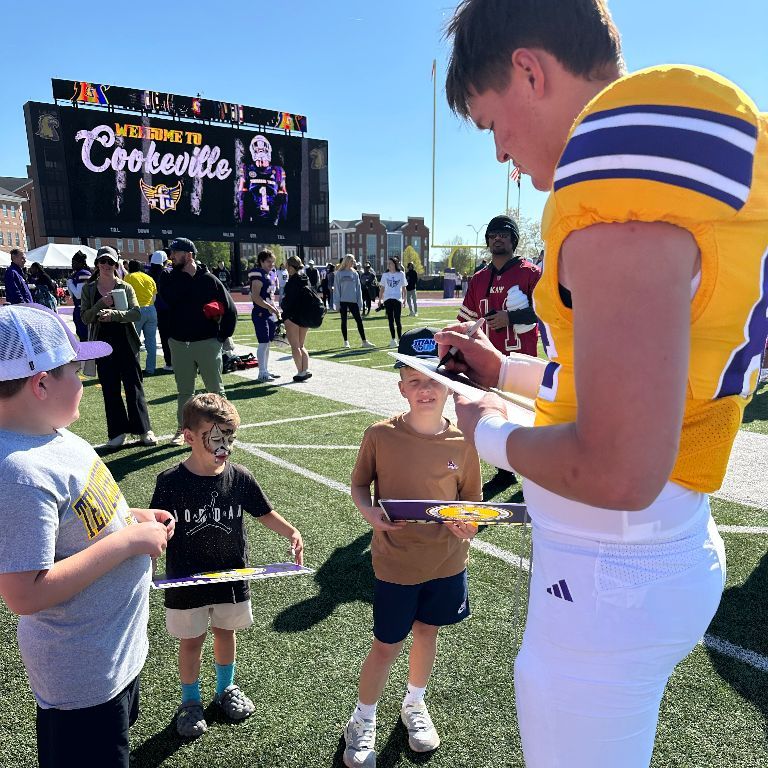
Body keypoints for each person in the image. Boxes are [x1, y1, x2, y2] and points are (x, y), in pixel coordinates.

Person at [441, 1, 768, 765]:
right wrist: (508, 370)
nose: (501, 155)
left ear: (529, 70)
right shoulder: (685, 162)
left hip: (612, 579)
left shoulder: (620, 192)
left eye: (493, 125)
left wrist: (483, 428)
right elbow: (631, 383)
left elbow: (619, 467)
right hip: (657, 551)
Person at [0, 302, 174, 768]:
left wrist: (131, 518)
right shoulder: (17, 472)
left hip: (112, 652)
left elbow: (81, 517)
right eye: (75, 370)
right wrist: (129, 542)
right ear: (40, 384)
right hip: (81, 677)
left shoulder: (56, 435)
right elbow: (23, 593)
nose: (85, 380)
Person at [342, 327, 482, 768]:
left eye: (434, 379)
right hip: (396, 564)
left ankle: (414, 704)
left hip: (447, 562)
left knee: (428, 632)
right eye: (414, 379)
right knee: (386, 644)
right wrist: (369, 514)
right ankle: (363, 718)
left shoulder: (465, 441)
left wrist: (468, 527)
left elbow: (472, 503)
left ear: (450, 385)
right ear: (401, 385)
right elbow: (360, 485)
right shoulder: (380, 435)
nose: (425, 389)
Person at [150, 393, 304, 739]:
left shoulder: (240, 477)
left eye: (229, 439)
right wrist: (148, 556)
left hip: (232, 576)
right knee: (191, 641)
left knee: (225, 633)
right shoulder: (170, 481)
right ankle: (190, 702)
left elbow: (263, 512)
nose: (224, 448)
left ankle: (226, 689)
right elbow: (155, 526)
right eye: (216, 439)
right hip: (185, 580)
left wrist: (291, 531)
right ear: (189, 437)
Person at [159, 238, 237, 444]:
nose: (172, 256)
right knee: (185, 391)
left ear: (189, 255)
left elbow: (231, 309)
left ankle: (225, 428)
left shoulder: (209, 279)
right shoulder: (168, 277)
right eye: (172, 252)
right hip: (179, 343)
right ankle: (182, 431)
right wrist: (187, 278)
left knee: (215, 389)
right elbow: (170, 299)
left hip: (206, 342)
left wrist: (221, 337)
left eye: (176, 252)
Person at [80, 247, 157, 448]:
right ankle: (117, 433)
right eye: (102, 261)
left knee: (134, 386)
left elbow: (136, 313)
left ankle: (143, 429)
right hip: (102, 343)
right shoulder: (89, 289)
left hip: (125, 340)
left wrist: (114, 315)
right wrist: (100, 305)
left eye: (111, 262)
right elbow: (85, 317)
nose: (106, 266)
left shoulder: (126, 287)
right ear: (97, 264)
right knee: (110, 387)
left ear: (116, 265)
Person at [458, 214, 541, 357]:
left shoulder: (531, 273)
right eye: (492, 235)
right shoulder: (478, 278)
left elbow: (547, 314)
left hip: (522, 363)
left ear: (513, 239)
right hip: (485, 364)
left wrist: (510, 317)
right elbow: (466, 323)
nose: (497, 238)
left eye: (503, 234)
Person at [280, 255, 320, 381]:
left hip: (292, 317)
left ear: (291, 267)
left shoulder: (291, 283)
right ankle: (305, 370)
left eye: (287, 266)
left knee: (295, 346)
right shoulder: (305, 279)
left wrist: (283, 308)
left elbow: (288, 302)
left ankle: (300, 372)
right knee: (301, 345)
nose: (286, 268)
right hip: (305, 317)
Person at [238, 134, 288, 226]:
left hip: (272, 218)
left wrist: (282, 224)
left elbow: (283, 198)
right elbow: (241, 196)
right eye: (257, 150)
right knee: (243, 195)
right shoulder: (247, 168)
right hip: (253, 217)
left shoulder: (278, 170)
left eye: (264, 150)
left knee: (282, 196)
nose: (261, 153)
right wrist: (244, 224)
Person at [248, 249, 282, 383]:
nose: (271, 264)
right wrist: (271, 308)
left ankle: (265, 369)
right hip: (260, 313)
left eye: (273, 262)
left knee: (267, 343)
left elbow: (269, 296)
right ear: (261, 261)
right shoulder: (257, 275)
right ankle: (261, 372)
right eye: (269, 262)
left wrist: (275, 309)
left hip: (268, 313)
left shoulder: (269, 274)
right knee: (263, 343)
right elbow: (256, 297)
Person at [124, 259, 158, 375]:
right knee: (151, 342)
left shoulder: (129, 277)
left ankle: (135, 368)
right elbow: (154, 297)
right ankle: (150, 369)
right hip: (151, 309)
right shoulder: (149, 278)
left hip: (137, 310)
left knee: (133, 342)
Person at [335, 254, 376, 350]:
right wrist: (337, 303)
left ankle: (364, 341)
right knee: (344, 322)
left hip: (353, 301)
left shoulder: (355, 274)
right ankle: (346, 341)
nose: (354, 262)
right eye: (352, 261)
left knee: (359, 321)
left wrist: (360, 302)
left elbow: (358, 289)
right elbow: (336, 289)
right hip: (343, 302)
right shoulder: (339, 273)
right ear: (347, 261)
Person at [148, 251, 173, 372]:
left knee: (163, 338)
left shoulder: (148, 274)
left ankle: (169, 362)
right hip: (169, 309)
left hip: (155, 309)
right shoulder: (167, 273)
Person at [378, 256, 407, 348]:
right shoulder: (385, 275)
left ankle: (400, 339)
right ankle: (393, 339)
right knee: (390, 320)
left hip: (397, 299)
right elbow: (382, 288)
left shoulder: (401, 274)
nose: (389, 265)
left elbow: (404, 288)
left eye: (390, 263)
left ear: (395, 264)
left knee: (398, 320)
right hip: (387, 299)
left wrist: (404, 299)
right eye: (388, 264)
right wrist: (380, 300)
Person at [67, 251, 92, 341]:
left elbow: (78, 295)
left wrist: (69, 283)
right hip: (78, 308)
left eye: (74, 263)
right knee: (81, 335)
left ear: (81, 263)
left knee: (85, 336)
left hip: (83, 309)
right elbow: (71, 294)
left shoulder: (83, 273)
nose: (72, 265)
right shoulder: (76, 274)